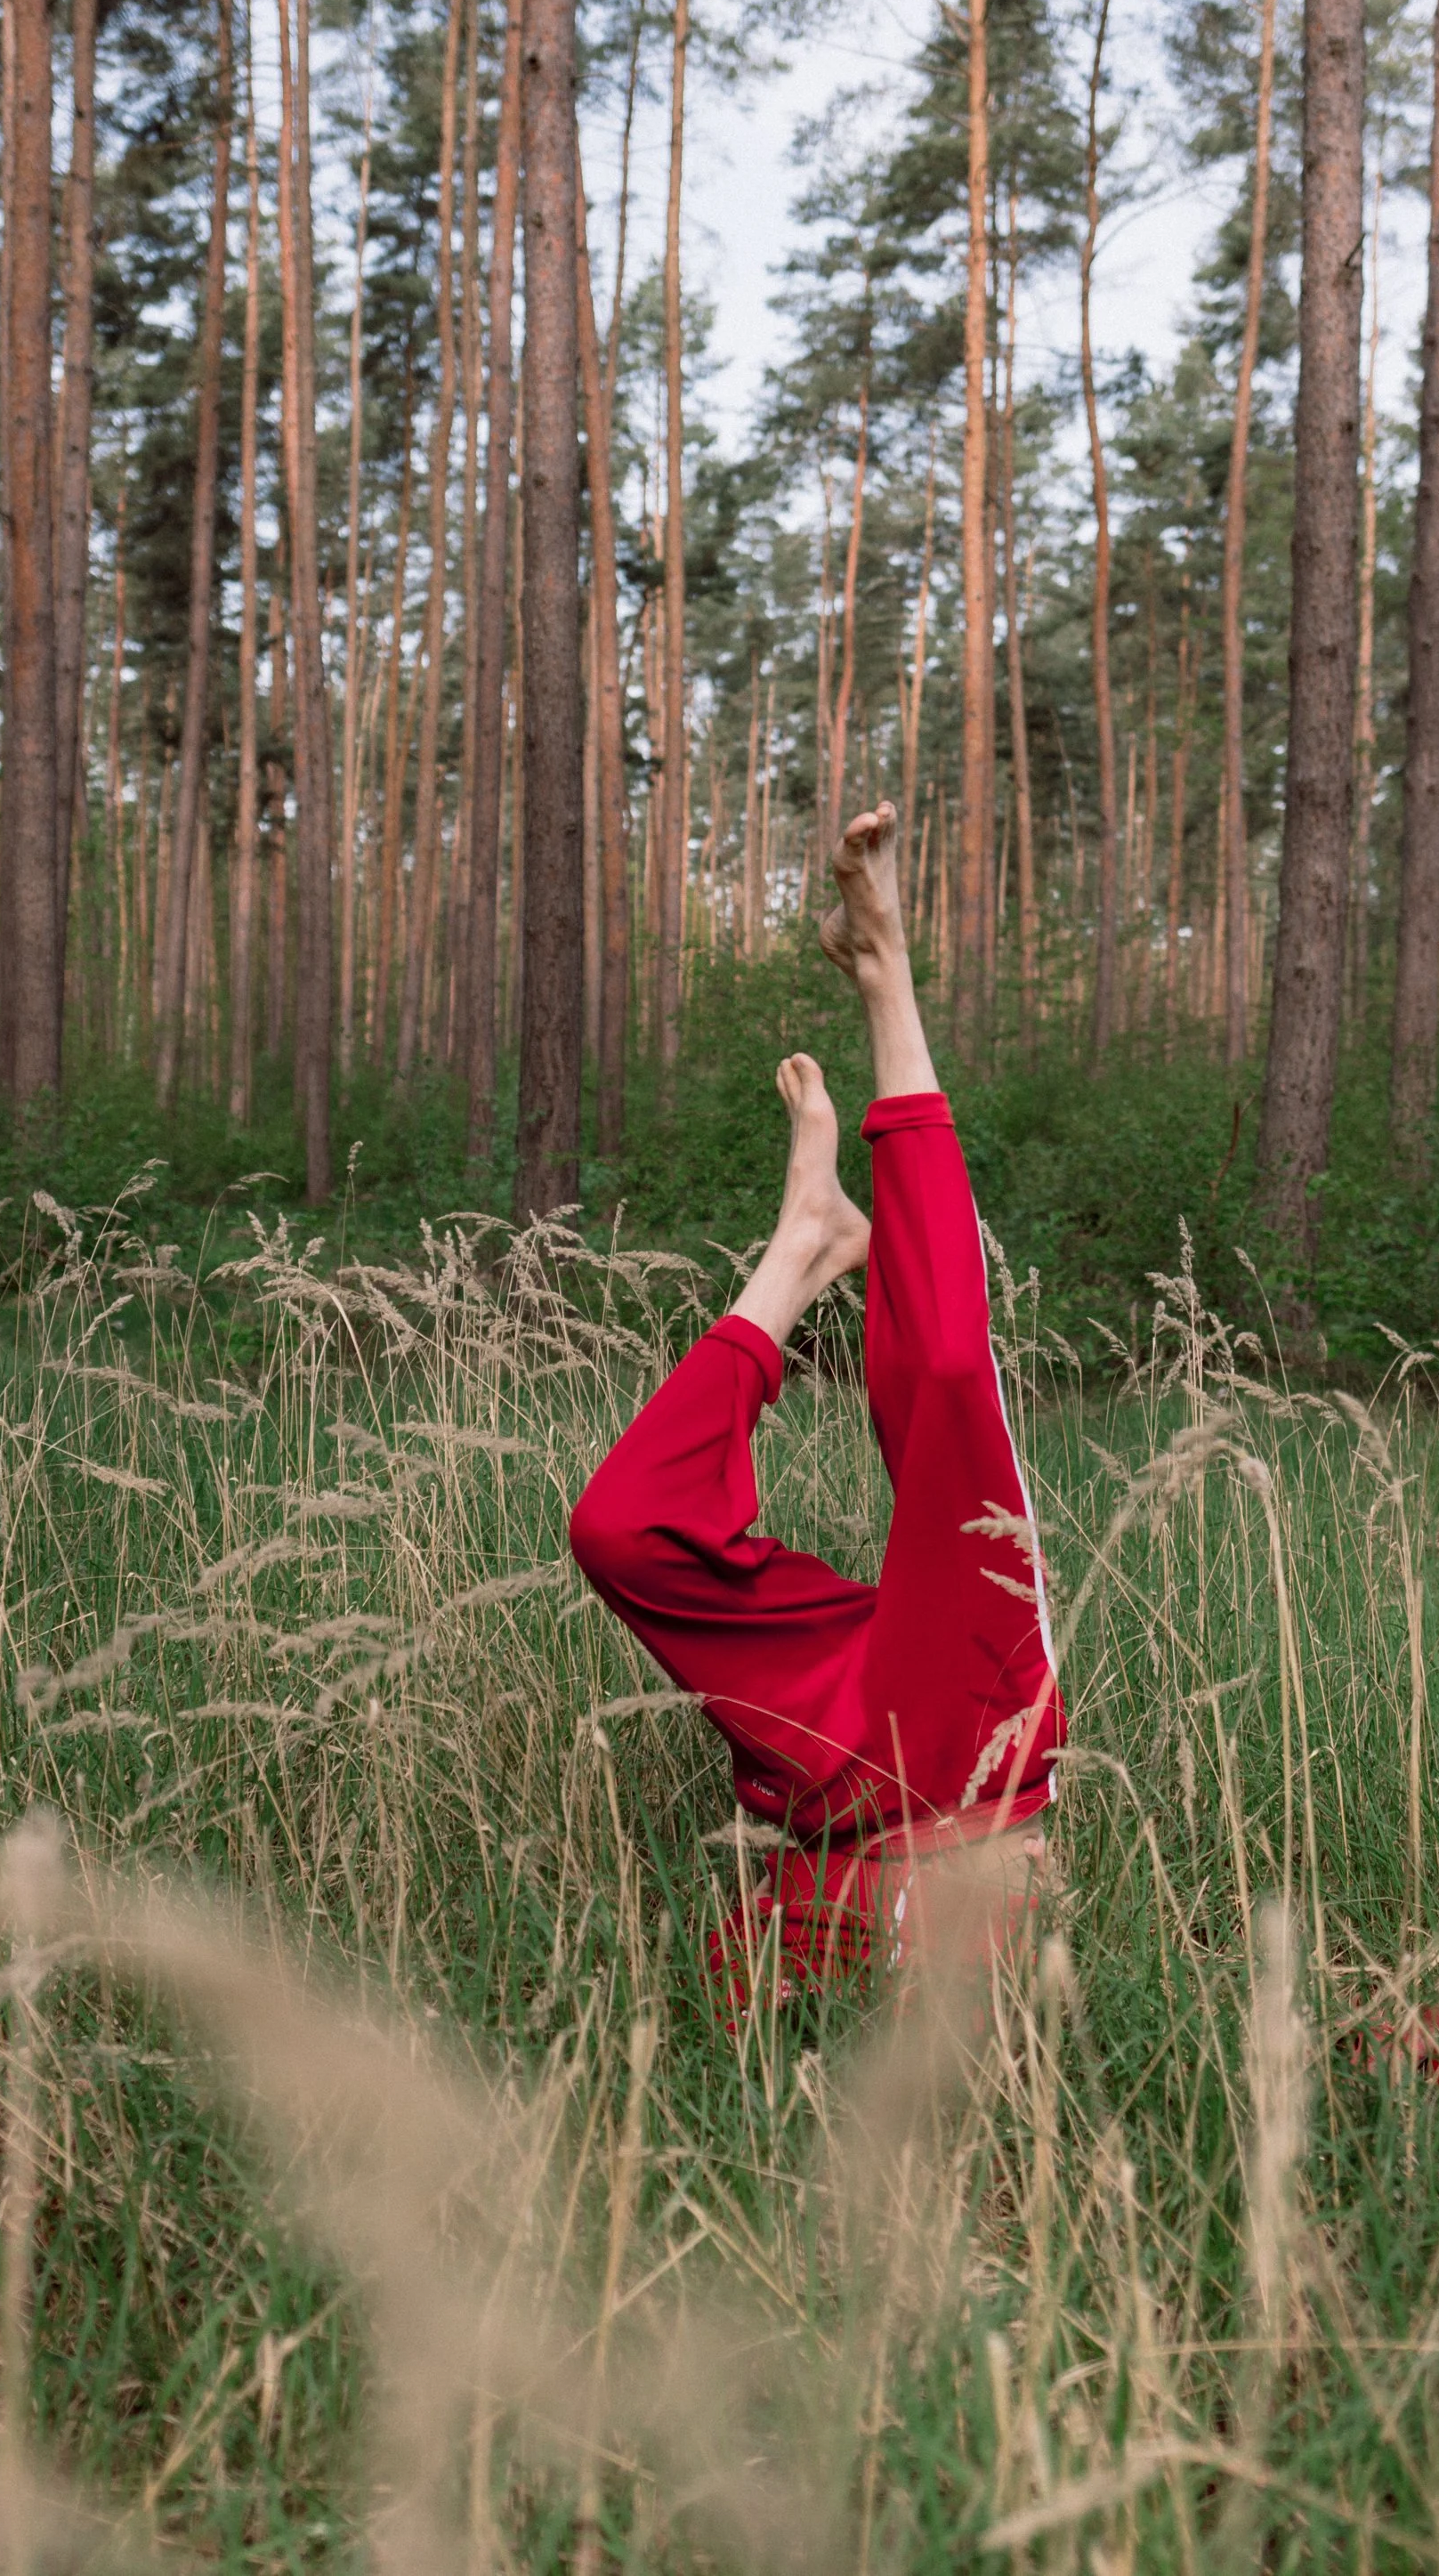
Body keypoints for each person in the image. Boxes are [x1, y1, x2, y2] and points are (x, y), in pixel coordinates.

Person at [570, 801, 1064, 2003]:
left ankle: (800, 1250)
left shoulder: (784, 1956)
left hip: (844, 1771)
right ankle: (884, 978)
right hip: (967, 1729)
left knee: (617, 1531)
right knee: (943, 1383)